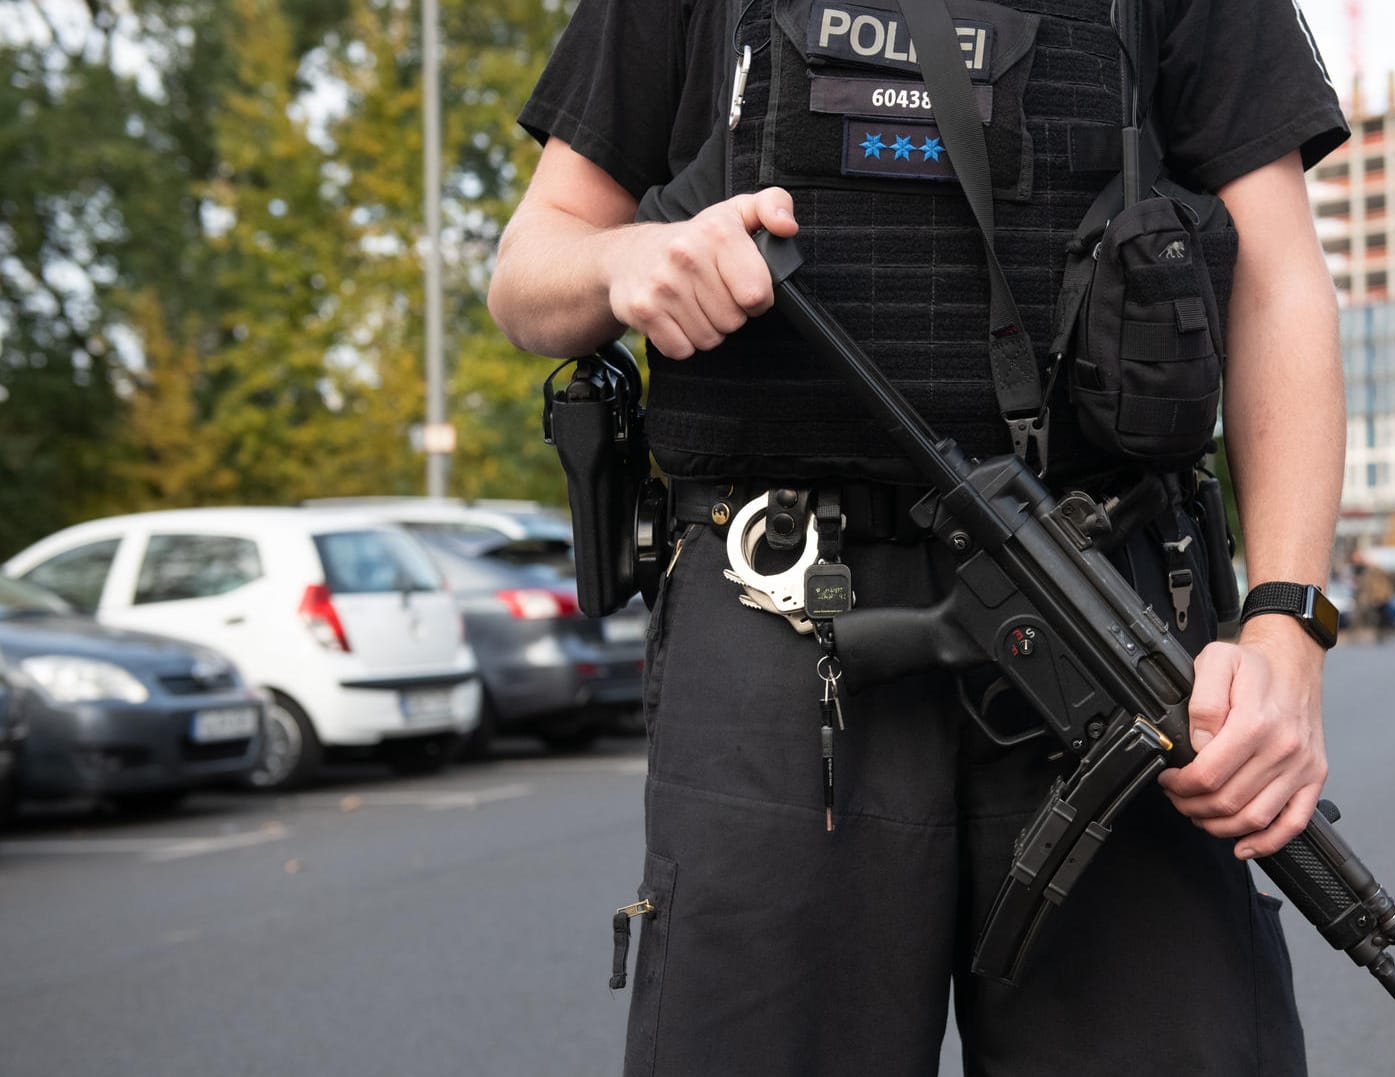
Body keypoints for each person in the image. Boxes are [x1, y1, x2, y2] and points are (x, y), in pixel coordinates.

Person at [489, 0, 1350, 1072]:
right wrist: (632, 263)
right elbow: (529, 269)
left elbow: (1280, 279)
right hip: (780, 608)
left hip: (1108, 617)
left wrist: (1287, 627)